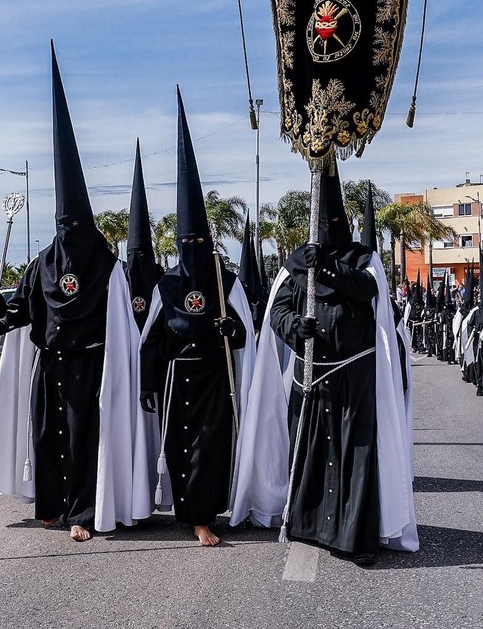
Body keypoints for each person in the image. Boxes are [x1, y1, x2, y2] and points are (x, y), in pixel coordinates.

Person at [0, 44, 141, 540]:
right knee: (47, 436)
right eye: (62, 223)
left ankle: (84, 513)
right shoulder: (41, 263)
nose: (69, 231)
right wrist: (0, 312)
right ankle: (49, 506)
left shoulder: (109, 268)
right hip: (49, 363)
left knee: (86, 436)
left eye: (76, 223)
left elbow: (121, 323)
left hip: (91, 362)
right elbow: (23, 314)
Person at [232, 166, 418, 563]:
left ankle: (356, 537)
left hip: (354, 375)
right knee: (311, 450)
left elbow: (365, 289)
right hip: (309, 375)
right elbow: (276, 311)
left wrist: (329, 267)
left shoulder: (364, 259)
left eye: (335, 223)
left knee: (355, 455)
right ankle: (309, 525)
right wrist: (294, 327)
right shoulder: (295, 264)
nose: (329, 229)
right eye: (322, 224)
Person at [138, 91, 253, 545]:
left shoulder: (226, 282)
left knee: (209, 448)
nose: (194, 250)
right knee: (180, 448)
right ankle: (186, 514)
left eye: (199, 242)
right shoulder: (166, 285)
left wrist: (232, 330)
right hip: (174, 380)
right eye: (186, 243)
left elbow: (244, 335)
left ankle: (205, 514)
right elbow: (151, 339)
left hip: (214, 379)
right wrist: (148, 382)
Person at [124, 142, 165, 330]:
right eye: (134, 255)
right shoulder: (121, 280)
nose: (138, 262)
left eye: (142, 255)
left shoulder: (162, 279)